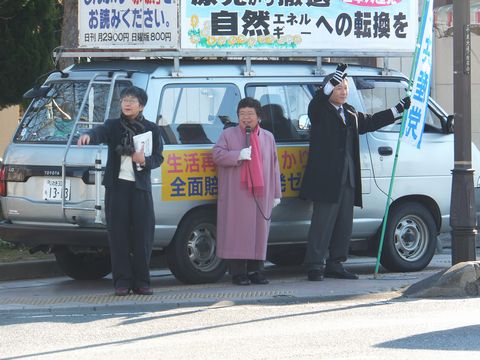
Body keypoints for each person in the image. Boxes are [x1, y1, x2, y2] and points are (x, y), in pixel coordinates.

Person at [300, 63, 410, 281]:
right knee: (322, 224)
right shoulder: (320, 110)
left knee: (344, 224)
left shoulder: (349, 112)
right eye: (338, 87)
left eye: (345, 88)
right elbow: (318, 101)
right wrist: (331, 81)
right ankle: (315, 265)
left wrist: (397, 109)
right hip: (327, 179)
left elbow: (370, 122)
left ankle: (336, 263)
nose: (342, 91)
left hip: (349, 177)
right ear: (329, 89)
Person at [77, 86, 163, 296]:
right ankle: (122, 282)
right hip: (117, 188)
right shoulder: (113, 125)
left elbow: (159, 157)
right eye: (124, 100)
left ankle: (142, 282)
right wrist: (88, 134)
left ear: (141, 105)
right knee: (118, 236)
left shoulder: (151, 128)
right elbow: (99, 132)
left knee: (143, 236)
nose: (127, 103)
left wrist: (144, 161)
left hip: (140, 188)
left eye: (132, 100)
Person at [213, 97, 281, 285]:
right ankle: (238, 273)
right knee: (238, 232)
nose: (246, 118)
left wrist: (276, 193)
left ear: (259, 117)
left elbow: (274, 166)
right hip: (237, 193)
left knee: (259, 232)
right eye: (242, 114)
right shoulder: (228, 134)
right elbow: (217, 154)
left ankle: (256, 271)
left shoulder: (268, 137)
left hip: (261, 193)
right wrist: (237, 155)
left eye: (250, 114)